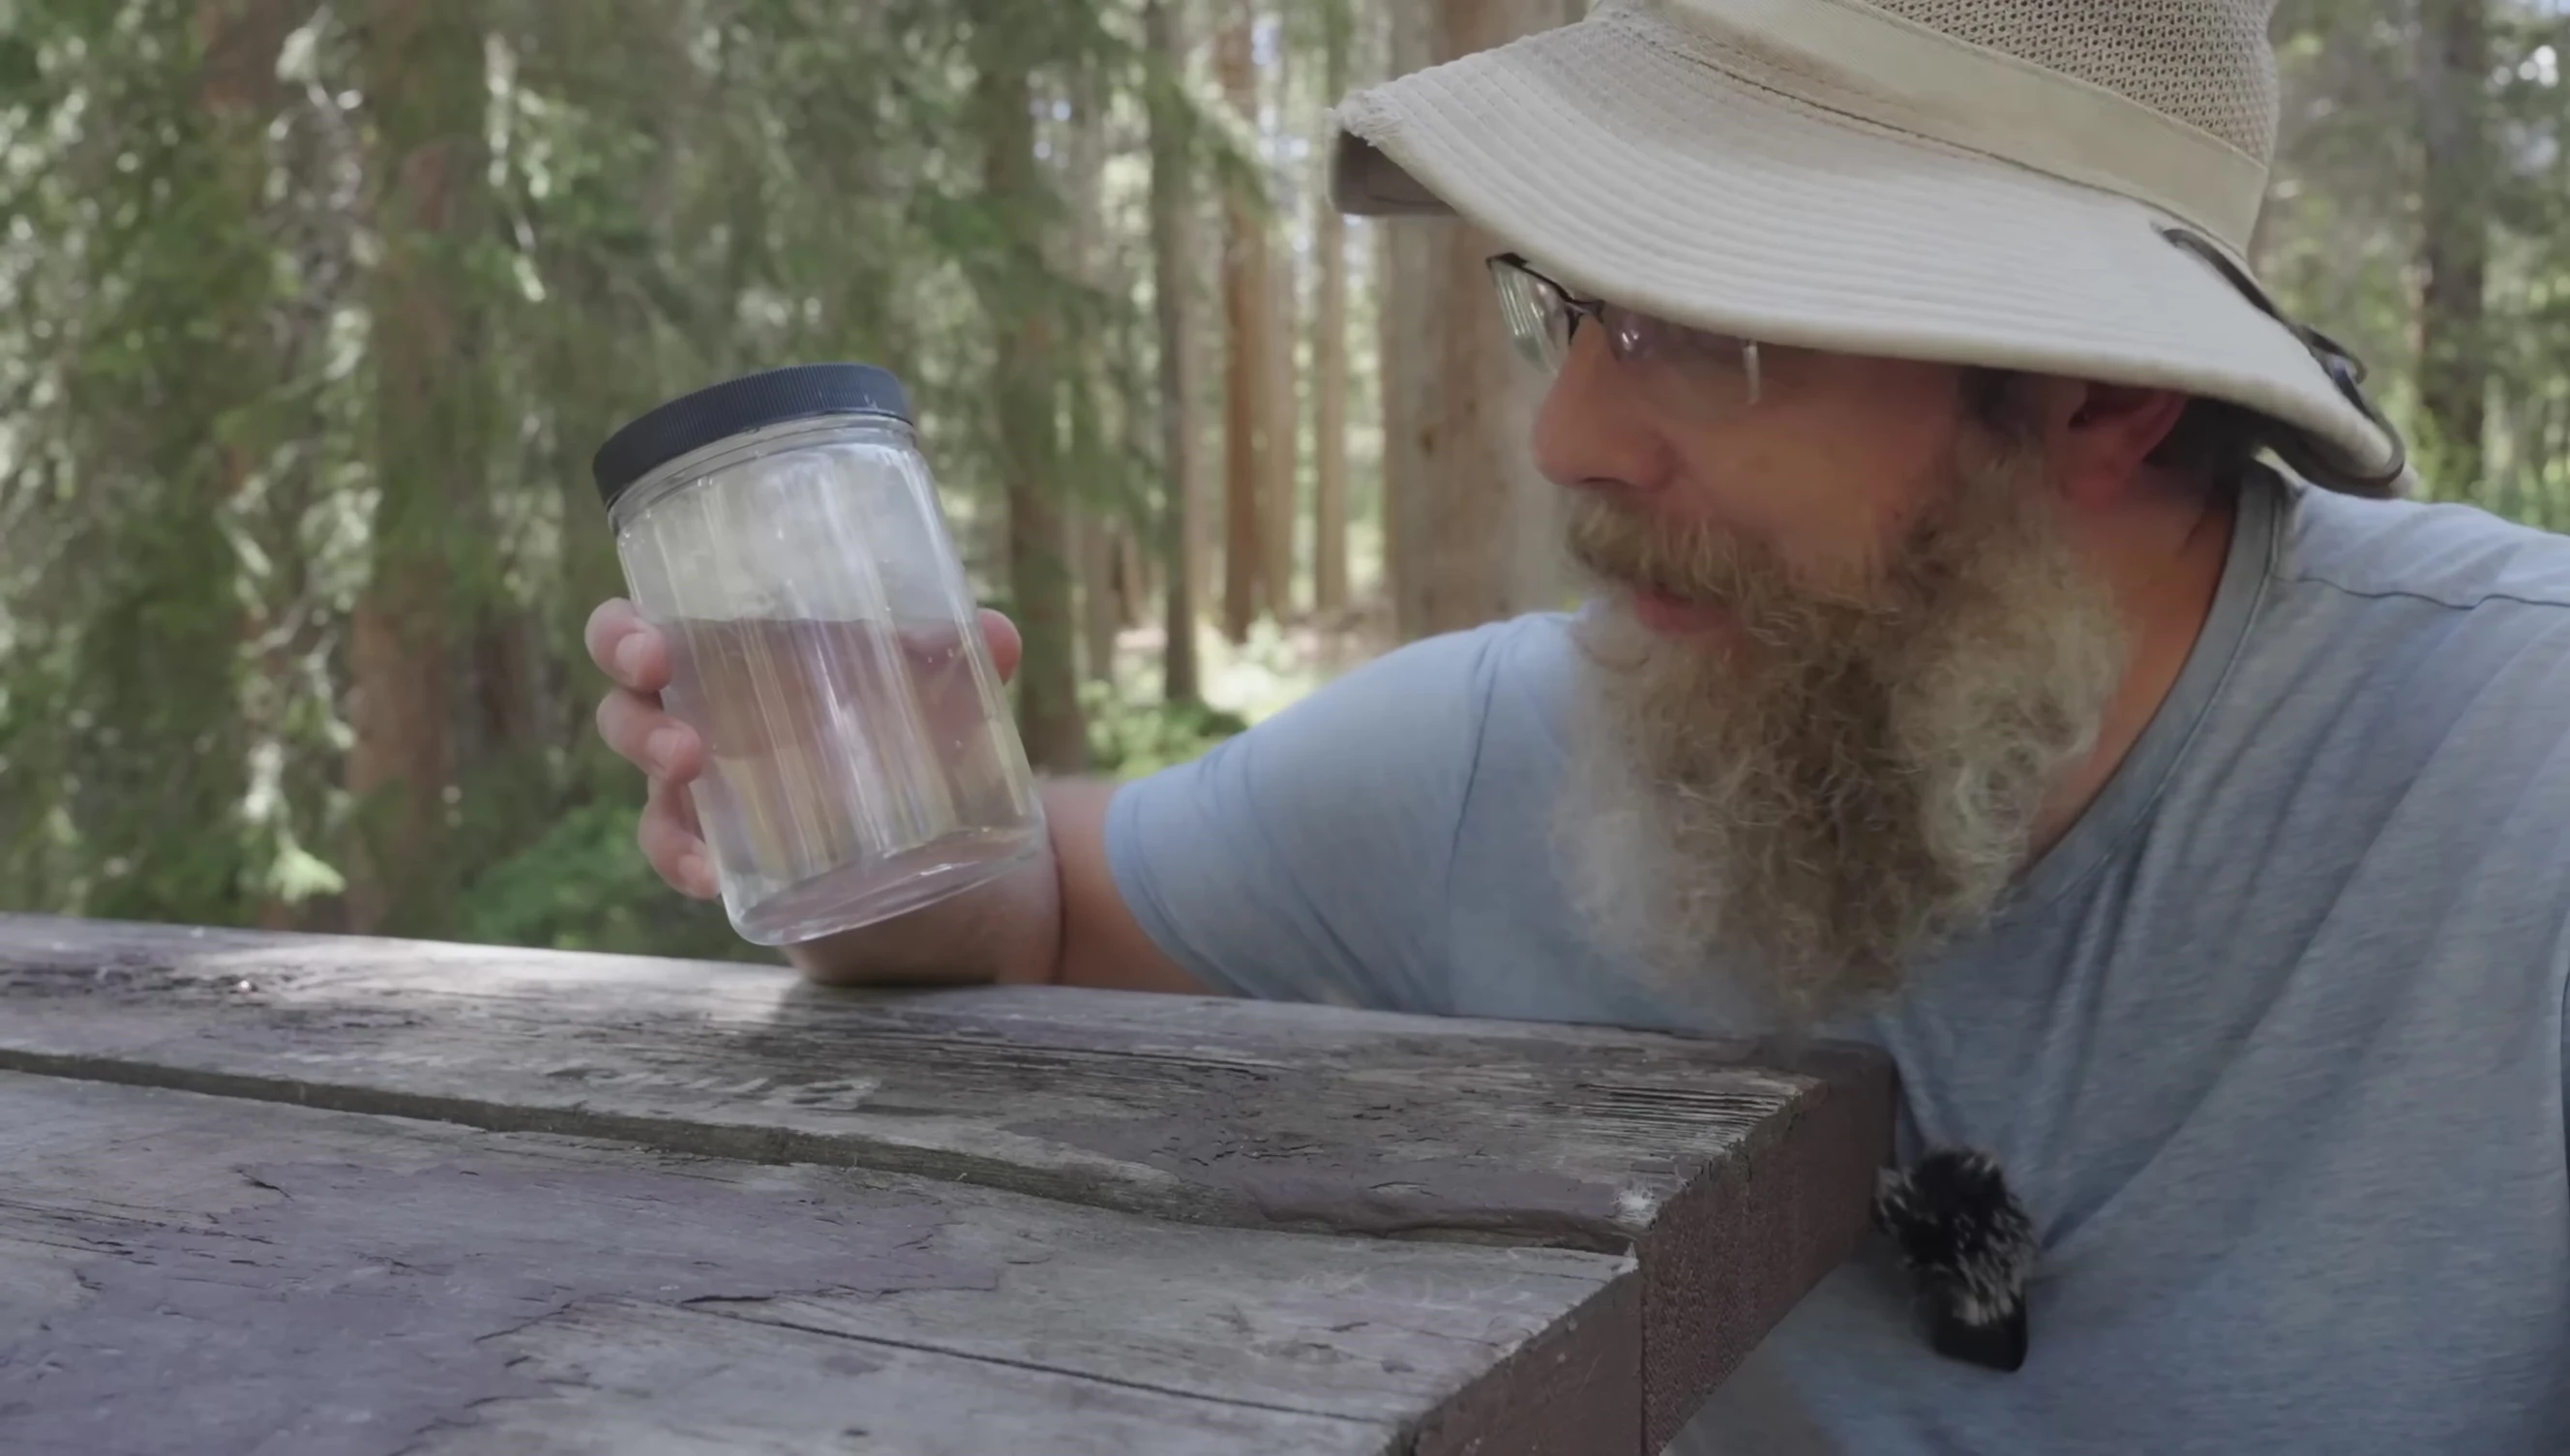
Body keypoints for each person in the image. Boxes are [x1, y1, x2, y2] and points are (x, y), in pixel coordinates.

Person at [588, 1, 2570, 1450]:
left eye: (1707, 332)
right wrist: (866, 815)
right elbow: (1027, 915)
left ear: (2096, 401)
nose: (1566, 437)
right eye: (1572, 306)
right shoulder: (1544, 755)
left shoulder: (2517, 773)